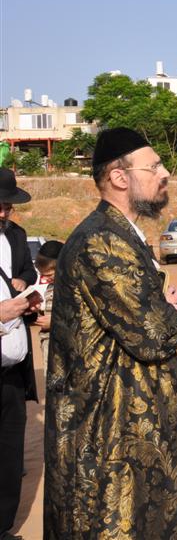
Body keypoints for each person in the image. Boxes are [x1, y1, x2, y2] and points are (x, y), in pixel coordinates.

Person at [43, 127, 177, 538]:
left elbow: (153, 312)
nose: (165, 174)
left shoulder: (121, 234)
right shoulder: (101, 240)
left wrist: (167, 309)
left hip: (134, 422)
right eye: (154, 165)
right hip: (109, 432)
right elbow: (152, 331)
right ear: (120, 178)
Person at [0, 170, 40, 540]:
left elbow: (28, 268)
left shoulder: (16, 235)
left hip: (12, 365)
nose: (3, 213)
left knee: (10, 454)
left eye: (8, 207)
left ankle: (3, 527)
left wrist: (24, 283)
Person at [31, 240, 63, 386]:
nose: (46, 278)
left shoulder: (73, 288)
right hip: (48, 347)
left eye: (49, 274)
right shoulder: (51, 287)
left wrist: (54, 322)